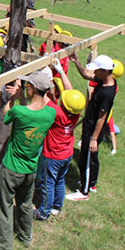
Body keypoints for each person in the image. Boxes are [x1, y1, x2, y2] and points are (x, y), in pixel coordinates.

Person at [0, 70, 56, 250]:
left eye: (27, 86)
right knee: (25, 204)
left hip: (11, 169)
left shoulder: (19, 111)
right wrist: (24, 97)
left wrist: (11, 98)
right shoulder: (50, 114)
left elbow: (7, 116)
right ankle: (25, 236)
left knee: (5, 208)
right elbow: (35, 110)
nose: (24, 88)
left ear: (33, 89)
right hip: (31, 169)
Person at [34, 59, 86, 220]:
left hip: (53, 156)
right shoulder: (74, 113)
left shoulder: (57, 113)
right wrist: (61, 71)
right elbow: (70, 92)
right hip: (66, 154)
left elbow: (44, 96)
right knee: (59, 181)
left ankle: (44, 211)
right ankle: (57, 206)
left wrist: (43, 80)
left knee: (48, 183)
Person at [65, 54, 117, 201]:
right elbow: (86, 76)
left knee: (85, 159)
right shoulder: (106, 81)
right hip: (93, 129)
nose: (94, 73)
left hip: (93, 130)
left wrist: (93, 138)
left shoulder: (106, 93)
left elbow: (102, 117)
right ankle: (92, 184)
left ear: (106, 71)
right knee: (92, 157)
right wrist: (76, 61)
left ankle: (84, 192)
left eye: (97, 70)